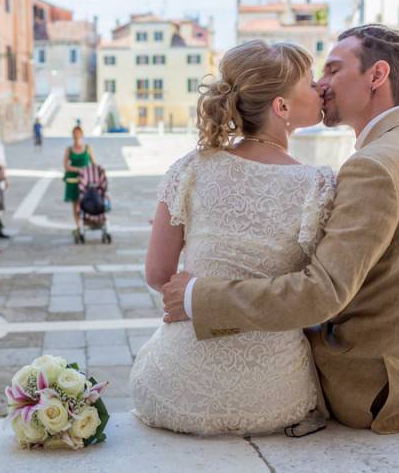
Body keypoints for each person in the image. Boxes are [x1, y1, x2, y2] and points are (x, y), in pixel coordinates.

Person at [162, 25, 399, 435]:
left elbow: (322, 294)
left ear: (377, 76)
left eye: (333, 70)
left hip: (381, 388)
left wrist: (197, 296)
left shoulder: (374, 165)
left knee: (250, 353)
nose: (321, 83)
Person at [129, 41, 331, 436]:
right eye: (310, 82)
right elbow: (317, 294)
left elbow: (157, 273)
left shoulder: (189, 168)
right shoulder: (318, 185)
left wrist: (200, 296)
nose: (321, 87)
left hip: (174, 387)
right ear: (282, 107)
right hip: (275, 394)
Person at [63, 126, 95, 239]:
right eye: (75, 133)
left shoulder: (87, 148)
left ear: (81, 134)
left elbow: (94, 163)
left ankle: (86, 222)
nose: (76, 135)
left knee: (85, 201)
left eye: (78, 133)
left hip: (86, 179)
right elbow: (66, 165)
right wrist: (77, 169)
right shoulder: (69, 149)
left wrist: (95, 174)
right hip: (73, 180)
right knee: (75, 204)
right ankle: (78, 225)